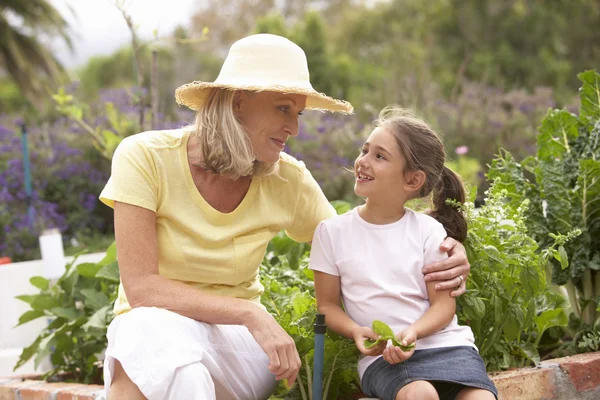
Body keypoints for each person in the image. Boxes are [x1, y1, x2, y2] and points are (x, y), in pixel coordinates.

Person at [100, 34, 472, 400]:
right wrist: (250, 313)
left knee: (146, 365)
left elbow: (356, 238)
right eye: (283, 109)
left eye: (298, 113)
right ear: (239, 102)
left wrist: (443, 245)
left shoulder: (287, 179)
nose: (294, 128)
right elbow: (143, 289)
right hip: (157, 333)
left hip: (239, 350)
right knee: (161, 347)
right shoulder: (145, 157)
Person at [310, 107, 498, 400]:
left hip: (447, 346)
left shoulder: (428, 231)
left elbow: (443, 307)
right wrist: (356, 331)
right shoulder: (330, 233)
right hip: (385, 357)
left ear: (412, 180)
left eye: (380, 156)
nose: (363, 162)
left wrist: (413, 333)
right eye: (365, 150)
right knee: (420, 394)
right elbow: (327, 306)